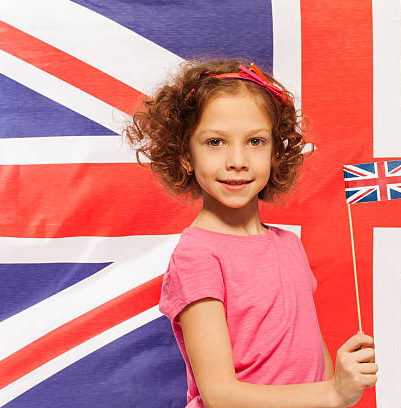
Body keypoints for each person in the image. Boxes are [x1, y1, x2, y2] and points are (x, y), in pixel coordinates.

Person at [123, 58, 378, 408]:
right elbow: (220, 395)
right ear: (185, 155)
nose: (237, 160)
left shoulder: (289, 246)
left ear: (276, 152)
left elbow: (314, 364)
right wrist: (333, 393)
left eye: (255, 141)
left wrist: (340, 387)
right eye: (215, 142)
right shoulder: (198, 257)